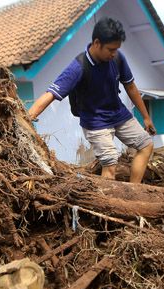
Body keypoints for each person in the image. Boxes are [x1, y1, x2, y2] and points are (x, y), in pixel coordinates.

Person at [28, 17, 156, 183]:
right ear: (97, 43)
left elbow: (130, 86)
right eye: (111, 49)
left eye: (117, 49)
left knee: (146, 145)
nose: (114, 53)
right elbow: (50, 94)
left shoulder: (117, 58)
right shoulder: (79, 66)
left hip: (118, 114)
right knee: (110, 163)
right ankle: (106, 206)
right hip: (95, 122)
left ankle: (134, 190)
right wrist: (26, 118)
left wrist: (146, 117)